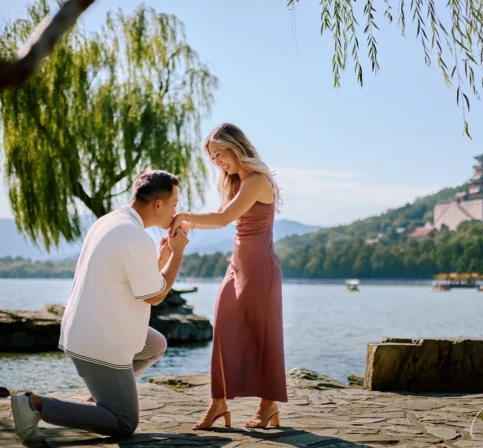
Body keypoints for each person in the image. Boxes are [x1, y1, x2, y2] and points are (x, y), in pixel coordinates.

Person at [10, 171, 189, 443]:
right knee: (124, 423)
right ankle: (34, 405)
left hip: (83, 329)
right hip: (101, 340)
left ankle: (100, 397)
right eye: (175, 204)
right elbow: (155, 296)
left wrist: (161, 258)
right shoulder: (135, 235)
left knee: (155, 344)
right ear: (158, 205)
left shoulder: (110, 221)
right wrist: (176, 254)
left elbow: (134, 279)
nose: (176, 211)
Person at [171, 123, 287, 430]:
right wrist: (185, 226)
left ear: (235, 148)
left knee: (263, 336)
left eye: (219, 154)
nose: (217, 162)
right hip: (237, 267)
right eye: (212, 158)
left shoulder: (257, 180)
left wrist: (184, 217)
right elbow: (222, 219)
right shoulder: (237, 182)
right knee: (223, 328)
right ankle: (219, 402)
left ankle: (268, 405)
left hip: (261, 270)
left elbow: (223, 219)